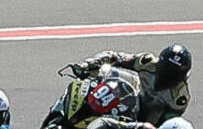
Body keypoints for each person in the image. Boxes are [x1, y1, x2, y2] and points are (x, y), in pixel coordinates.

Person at [64, 44, 192, 124]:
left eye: (173, 74)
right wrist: (88, 64)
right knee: (104, 76)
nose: (167, 76)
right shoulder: (147, 62)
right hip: (127, 95)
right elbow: (115, 57)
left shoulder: (179, 98)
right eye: (165, 71)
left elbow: (167, 124)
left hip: (139, 122)